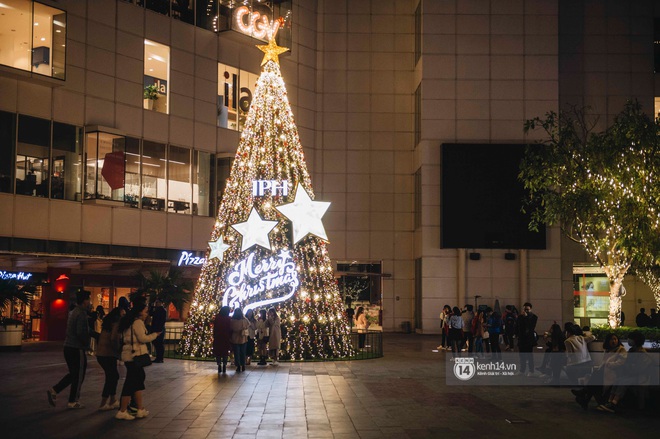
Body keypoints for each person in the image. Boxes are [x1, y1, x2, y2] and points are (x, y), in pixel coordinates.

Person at [115, 302, 161, 420]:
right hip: (133, 355)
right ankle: (123, 410)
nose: (147, 314)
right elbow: (142, 338)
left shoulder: (129, 322)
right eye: (145, 311)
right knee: (132, 382)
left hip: (129, 355)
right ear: (140, 311)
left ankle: (139, 408)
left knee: (138, 379)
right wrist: (154, 335)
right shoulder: (137, 322)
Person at [47, 289, 91, 409]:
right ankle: (73, 400)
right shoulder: (81, 313)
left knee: (74, 374)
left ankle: (55, 390)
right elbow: (80, 332)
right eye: (88, 299)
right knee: (79, 375)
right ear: (84, 301)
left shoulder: (73, 312)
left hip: (68, 346)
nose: (89, 302)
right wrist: (87, 344)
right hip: (77, 348)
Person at [597, 331, 654, 413]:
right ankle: (609, 402)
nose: (628, 340)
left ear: (635, 340)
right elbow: (628, 365)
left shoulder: (643, 354)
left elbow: (638, 369)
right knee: (618, 380)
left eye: (630, 339)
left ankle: (614, 403)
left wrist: (629, 367)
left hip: (640, 377)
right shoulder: (631, 351)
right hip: (631, 375)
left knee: (623, 381)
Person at [572, 333, 626, 410]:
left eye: (615, 339)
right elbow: (603, 363)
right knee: (595, 379)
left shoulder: (621, 350)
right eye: (611, 339)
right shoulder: (607, 350)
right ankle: (585, 398)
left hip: (613, 373)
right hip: (605, 373)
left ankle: (584, 394)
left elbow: (620, 363)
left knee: (594, 379)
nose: (614, 341)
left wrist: (608, 365)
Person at [96, 308, 121, 410]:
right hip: (108, 354)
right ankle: (103, 403)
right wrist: (118, 350)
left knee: (113, 376)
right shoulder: (116, 324)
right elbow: (114, 339)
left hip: (101, 354)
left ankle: (113, 400)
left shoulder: (107, 325)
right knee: (112, 377)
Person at [516, 302, 538, 376]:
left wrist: (525, 318)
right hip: (521, 339)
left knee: (529, 356)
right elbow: (519, 327)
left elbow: (531, 327)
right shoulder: (520, 317)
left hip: (529, 339)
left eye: (527, 309)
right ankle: (522, 370)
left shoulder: (534, 317)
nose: (526, 311)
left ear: (531, 309)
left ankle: (531, 371)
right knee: (522, 356)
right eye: (525, 309)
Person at [213, 306, 232, 374]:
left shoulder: (217, 318)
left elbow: (215, 328)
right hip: (226, 337)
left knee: (218, 352)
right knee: (225, 353)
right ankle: (224, 364)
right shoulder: (228, 319)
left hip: (218, 337)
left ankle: (219, 364)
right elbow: (230, 328)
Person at [230, 308, 250, 372]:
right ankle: (243, 365)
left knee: (236, 353)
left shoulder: (232, 321)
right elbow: (249, 324)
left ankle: (238, 366)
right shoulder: (244, 320)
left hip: (235, 338)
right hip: (243, 338)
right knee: (243, 352)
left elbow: (231, 328)